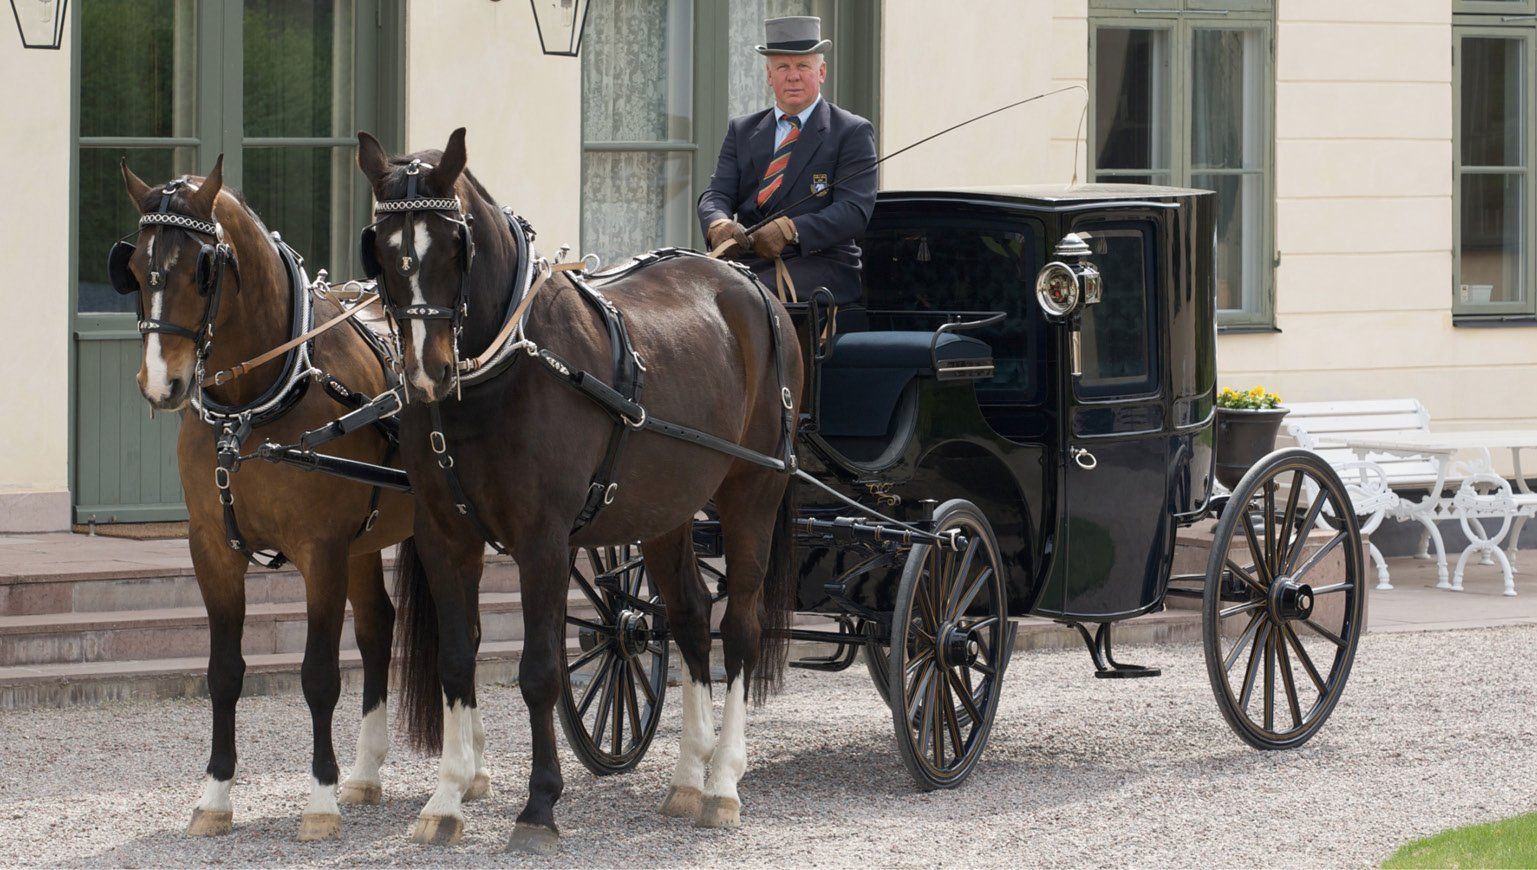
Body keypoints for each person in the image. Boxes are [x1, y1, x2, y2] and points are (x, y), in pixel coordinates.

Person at [697, 16, 877, 330]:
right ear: (769, 75)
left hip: (821, 263)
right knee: (681, 285)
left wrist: (792, 230)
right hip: (749, 260)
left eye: (803, 67)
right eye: (783, 68)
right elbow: (717, 194)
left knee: (741, 296)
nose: (792, 77)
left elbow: (853, 212)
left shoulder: (851, 131)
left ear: (821, 72)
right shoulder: (742, 130)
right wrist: (719, 223)